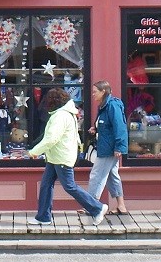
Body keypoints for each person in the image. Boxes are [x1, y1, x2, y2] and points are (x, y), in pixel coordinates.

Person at [27, 87, 108, 226]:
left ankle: (97, 208)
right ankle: (43, 217)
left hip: (61, 157)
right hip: (56, 156)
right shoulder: (65, 113)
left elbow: (51, 138)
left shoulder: (60, 116)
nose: (46, 103)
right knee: (46, 185)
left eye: (48, 100)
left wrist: (34, 151)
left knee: (70, 186)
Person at [86, 80, 129, 215]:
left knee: (96, 175)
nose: (93, 94)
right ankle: (121, 206)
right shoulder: (104, 106)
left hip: (108, 149)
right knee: (112, 176)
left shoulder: (112, 106)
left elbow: (120, 128)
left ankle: (93, 206)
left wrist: (119, 147)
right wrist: (96, 128)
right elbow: (107, 126)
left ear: (103, 91)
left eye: (95, 92)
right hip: (107, 146)